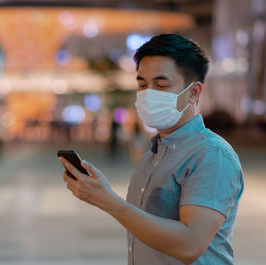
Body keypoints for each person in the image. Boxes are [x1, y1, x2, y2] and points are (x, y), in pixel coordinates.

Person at [58, 34, 244, 265]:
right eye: (142, 84)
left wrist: (108, 200)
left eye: (161, 85)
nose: (148, 94)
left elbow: (190, 245)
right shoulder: (153, 155)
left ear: (194, 92)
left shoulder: (211, 155)